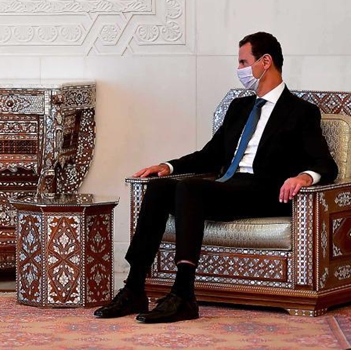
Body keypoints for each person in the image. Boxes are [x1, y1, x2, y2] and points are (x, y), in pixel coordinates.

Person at [94, 32, 338, 323]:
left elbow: (326, 164)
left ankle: (183, 293)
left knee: (190, 189)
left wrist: (304, 178)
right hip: (229, 188)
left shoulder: (300, 112)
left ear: (265, 62)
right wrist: (168, 166)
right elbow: (210, 155)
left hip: (264, 192)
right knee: (160, 188)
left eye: (243, 62)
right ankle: (134, 288)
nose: (239, 69)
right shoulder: (239, 107)